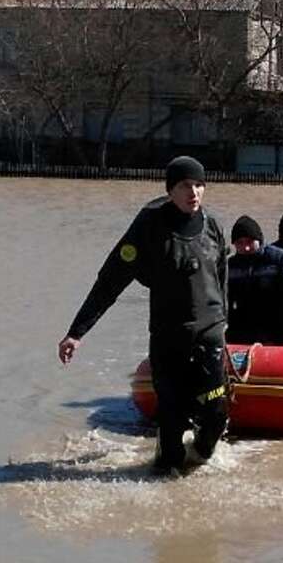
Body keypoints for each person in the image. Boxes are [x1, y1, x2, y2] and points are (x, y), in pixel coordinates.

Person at [58, 156, 229, 474]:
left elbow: (222, 276)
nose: (194, 192)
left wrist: (225, 322)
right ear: (170, 190)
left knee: (217, 413)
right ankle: (168, 472)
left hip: (210, 333)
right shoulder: (149, 229)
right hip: (169, 338)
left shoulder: (213, 226)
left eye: (199, 185)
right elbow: (110, 281)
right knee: (172, 429)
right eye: (184, 185)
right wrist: (76, 332)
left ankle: (201, 454)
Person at [225, 215, 283, 346]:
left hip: (276, 324)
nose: (246, 248)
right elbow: (225, 300)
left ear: (259, 240)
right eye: (240, 243)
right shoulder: (230, 266)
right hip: (245, 324)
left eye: (249, 242)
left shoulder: (280, 260)